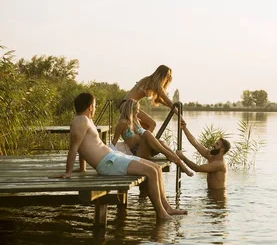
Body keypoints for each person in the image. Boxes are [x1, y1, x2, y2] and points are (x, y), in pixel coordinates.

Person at [51, 92, 187, 220]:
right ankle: (161, 213)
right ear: (90, 106)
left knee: (156, 168)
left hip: (113, 157)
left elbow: (82, 147)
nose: (96, 108)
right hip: (107, 163)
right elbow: (74, 147)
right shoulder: (80, 121)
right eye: (95, 105)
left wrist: (82, 168)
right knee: (151, 171)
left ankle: (167, 208)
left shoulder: (86, 120)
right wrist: (68, 172)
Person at [112, 99, 195, 177]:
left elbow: (143, 135)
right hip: (138, 152)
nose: (138, 112)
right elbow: (114, 140)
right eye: (137, 109)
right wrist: (110, 158)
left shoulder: (136, 120)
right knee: (147, 133)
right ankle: (177, 161)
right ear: (131, 110)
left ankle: (178, 162)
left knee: (161, 142)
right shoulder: (122, 123)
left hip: (146, 149)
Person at [121, 65, 178, 132]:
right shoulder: (155, 84)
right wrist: (180, 116)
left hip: (125, 105)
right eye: (167, 75)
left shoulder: (149, 80)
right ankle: (144, 141)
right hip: (129, 106)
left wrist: (171, 106)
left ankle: (141, 140)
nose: (168, 78)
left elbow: (159, 100)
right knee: (152, 124)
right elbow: (169, 102)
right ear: (161, 75)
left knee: (146, 127)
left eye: (169, 76)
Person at [177, 120, 230, 189]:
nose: (214, 145)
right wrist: (184, 128)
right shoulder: (211, 156)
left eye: (217, 144)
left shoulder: (220, 164)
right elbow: (196, 143)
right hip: (210, 193)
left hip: (218, 196)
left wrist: (183, 157)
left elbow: (197, 168)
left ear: (222, 149)